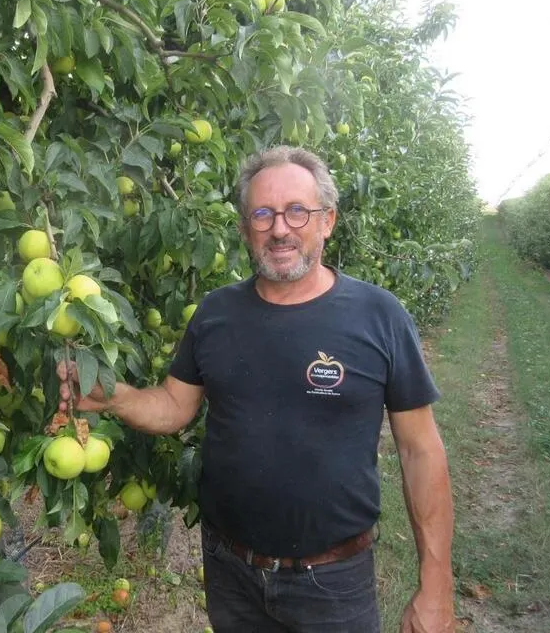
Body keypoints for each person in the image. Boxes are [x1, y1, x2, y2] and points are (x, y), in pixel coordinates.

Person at [58, 146, 456, 632]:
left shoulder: (379, 316)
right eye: (263, 214)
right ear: (246, 229)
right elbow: (174, 406)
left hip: (331, 582)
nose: (280, 228)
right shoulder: (216, 313)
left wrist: (436, 585)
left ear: (327, 221)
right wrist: (112, 395)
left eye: (297, 211)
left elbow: (420, 451)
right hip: (231, 570)